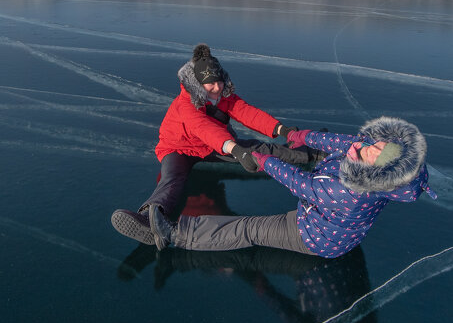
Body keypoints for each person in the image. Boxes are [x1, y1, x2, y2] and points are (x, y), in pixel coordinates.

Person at [112, 115, 435, 257]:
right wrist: (299, 136)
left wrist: (263, 160)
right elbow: (341, 140)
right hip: (331, 220)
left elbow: (301, 184)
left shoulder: (348, 191)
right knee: (324, 153)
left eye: (371, 150)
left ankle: (171, 234)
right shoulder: (380, 164)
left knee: (249, 229)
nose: (366, 145)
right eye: (375, 143)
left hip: (318, 238)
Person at [129, 43, 319, 232]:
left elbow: (248, 113)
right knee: (172, 178)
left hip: (210, 146)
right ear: (198, 83)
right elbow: (203, 128)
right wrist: (236, 150)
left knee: (257, 148)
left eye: (220, 81)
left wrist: (282, 130)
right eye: (211, 83)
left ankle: (311, 153)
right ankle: (149, 217)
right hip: (178, 148)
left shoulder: (224, 96)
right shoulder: (185, 104)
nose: (217, 87)